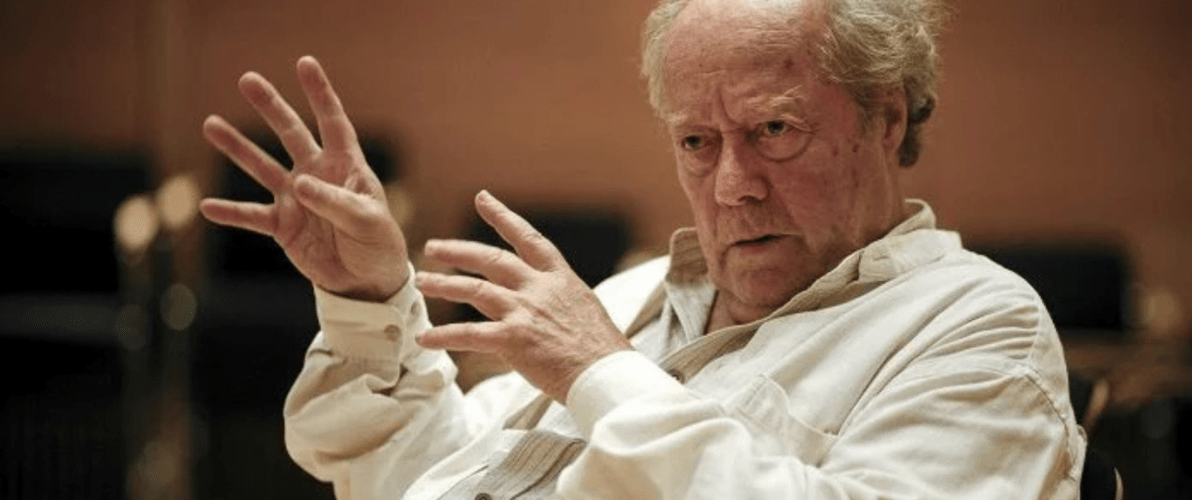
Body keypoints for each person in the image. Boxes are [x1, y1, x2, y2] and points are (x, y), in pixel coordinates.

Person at [199, 0, 1086, 498]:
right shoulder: (638, 292)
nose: (731, 185)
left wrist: (603, 373)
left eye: (774, 131)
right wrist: (367, 301)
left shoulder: (978, 323)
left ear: (885, 118)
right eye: (697, 141)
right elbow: (417, 473)